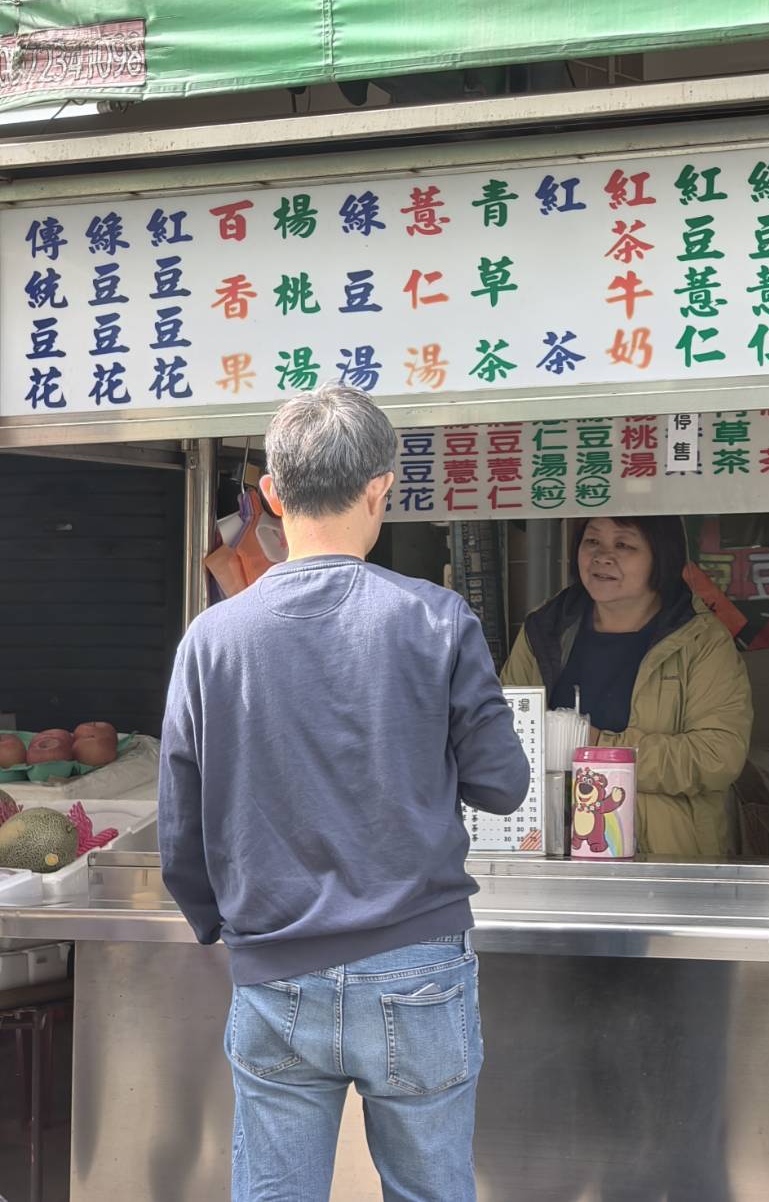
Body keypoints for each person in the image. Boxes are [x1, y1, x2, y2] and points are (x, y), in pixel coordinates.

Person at [158, 385, 528, 1202]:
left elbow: (180, 825)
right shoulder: (436, 619)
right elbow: (503, 785)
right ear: (379, 490)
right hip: (418, 967)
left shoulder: (211, 639)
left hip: (273, 969)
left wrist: (220, 926)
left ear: (272, 496)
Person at [501, 515, 751, 856]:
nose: (603, 557)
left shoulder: (700, 640)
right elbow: (504, 730)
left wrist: (597, 749)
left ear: (661, 557)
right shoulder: (544, 629)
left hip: (666, 858)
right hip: (549, 849)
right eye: (592, 542)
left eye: (624, 544)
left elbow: (717, 757)